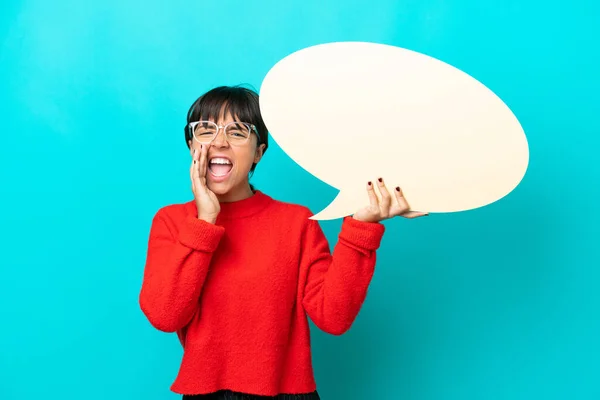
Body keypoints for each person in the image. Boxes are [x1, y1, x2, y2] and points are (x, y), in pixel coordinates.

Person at [138, 85, 428, 399]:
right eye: (206, 130)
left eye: (237, 132)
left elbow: (333, 318)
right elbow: (166, 316)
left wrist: (362, 227)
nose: (219, 141)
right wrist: (206, 220)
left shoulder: (295, 222)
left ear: (259, 152)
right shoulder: (172, 221)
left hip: (290, 394)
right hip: (208, 393)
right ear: (191, 144)